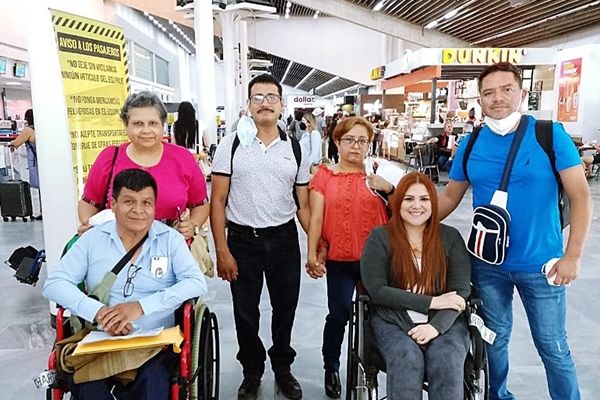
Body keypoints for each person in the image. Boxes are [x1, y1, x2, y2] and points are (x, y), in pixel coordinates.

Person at [439, 62, 592, 400]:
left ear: (522, 93)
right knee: (493, 340)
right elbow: (450, 196)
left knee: (553, 347)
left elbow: (581, 196)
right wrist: (403, 212)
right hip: (487, 264)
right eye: (488, 93)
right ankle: (499, 396)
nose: (497, 98)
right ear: (479, 100)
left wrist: (573, 255)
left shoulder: (549, 135)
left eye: (506, 89)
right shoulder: (472, 142)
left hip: (543, 266)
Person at [43, 168, 207, 400]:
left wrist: (141, 307)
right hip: (101, 340)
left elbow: (196, 283)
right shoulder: (92, 239)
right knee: (89, 388)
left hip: (154, 343)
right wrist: (99, 312)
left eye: (146, 203)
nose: (139, 210)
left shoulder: (170, 240)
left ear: (154, 206)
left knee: (153, 382)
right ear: (113, 204)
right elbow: (55, 283)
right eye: (129, 201)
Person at [210, 73, 310, 400]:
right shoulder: (231, 144)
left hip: (284, 240)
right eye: (258, 97)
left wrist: (318, 244)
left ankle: (282, 367)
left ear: (282, 105)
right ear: (249, 105)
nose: (265, 103)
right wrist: (222, 250)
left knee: (285, 309)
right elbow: (218, 201)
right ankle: (252, 370)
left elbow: (303, 205)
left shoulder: (295, 148)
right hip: (242, 241)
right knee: (245, 311)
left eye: (271, 97)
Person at [361, 172, 471, 399]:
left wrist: (435, 327)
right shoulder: (380, 237)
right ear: (398, 201)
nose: (416, 206)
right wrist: (432, 301)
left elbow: (460, 291)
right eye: (409, 199)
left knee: (447, 357)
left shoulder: (450, 238)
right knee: (406, 357)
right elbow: (377, 290)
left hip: (444, 320)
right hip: (393, 319)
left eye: (424, 199)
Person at [305, 116, 391, 399]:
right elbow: (316, 218)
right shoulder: (324, 176)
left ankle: (373, 367)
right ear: (337, 143)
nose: (356, 146)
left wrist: (389, 188)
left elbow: (405, 210)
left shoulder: (377, 178)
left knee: (377, 316)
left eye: (362, 141)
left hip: (375, 262)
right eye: (349, 140)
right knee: (338, 314)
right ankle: (331, 366)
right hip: (340, 259)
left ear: (370, 145)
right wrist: (312, 253)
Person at [78, 91, 209, 240]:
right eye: (138, 124)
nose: (146, 130)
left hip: (171, 250)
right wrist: (91, 228)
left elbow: (200, 204)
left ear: (162, 126)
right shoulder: (110, 158)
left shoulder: (183, 159)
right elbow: (89, 202)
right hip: (117, 250)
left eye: (153, 123)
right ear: (126, 126)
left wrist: (193, 225)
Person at [8, 108, 42, 219]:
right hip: (45, 163)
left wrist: (12, 144)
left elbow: (17, 142)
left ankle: (37, 212)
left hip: (35, 164)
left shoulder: (28, 130)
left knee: (37, 188)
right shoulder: (41, 128)